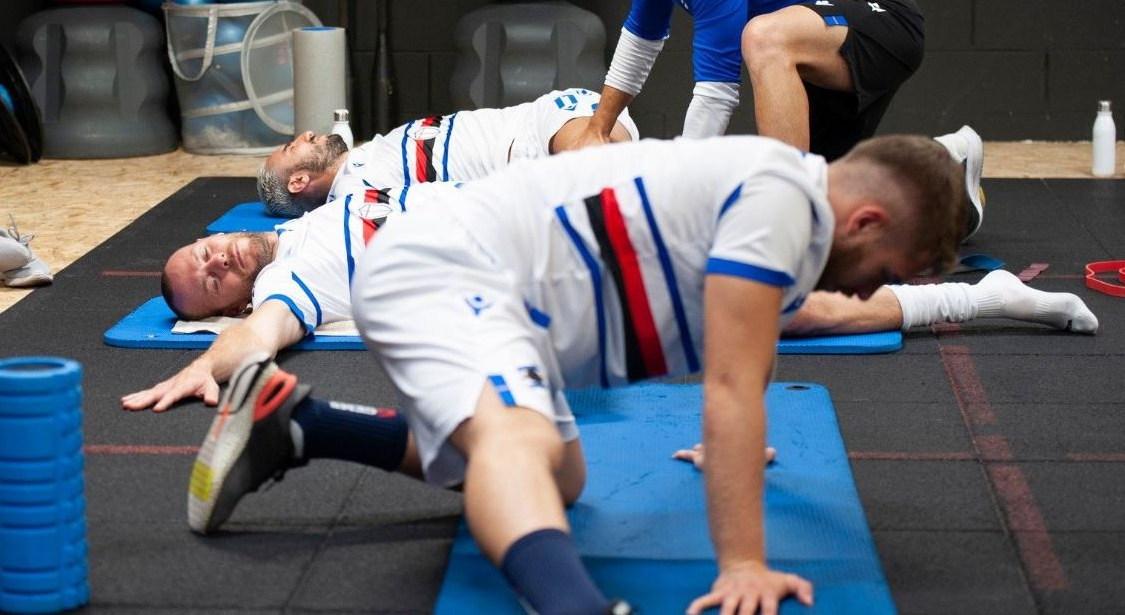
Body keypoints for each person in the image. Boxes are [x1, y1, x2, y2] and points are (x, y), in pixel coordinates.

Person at [180, 135, 1073, 613]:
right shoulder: (782, 205)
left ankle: (298, 426)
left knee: (555, 478)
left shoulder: (782, 206)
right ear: (867, 220)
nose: (871, 288)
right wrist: (743, 564)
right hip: (449, 270)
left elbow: (762, 346)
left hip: (489, 297)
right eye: (885, 270)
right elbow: (727, 388)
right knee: (514, 443)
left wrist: (734, 446)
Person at [121, 170, 1096, 413]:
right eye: (199, 288)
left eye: (200, 250)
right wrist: (209, 364)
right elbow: (261, 335)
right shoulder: (292, 276)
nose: (208, 264)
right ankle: (980, 293)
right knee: (781, 304)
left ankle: (946, 208)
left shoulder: (311, 207)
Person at [568, 0, 988, 239]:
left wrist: (678, 196)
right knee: (831, 201)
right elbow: (641, 39)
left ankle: (787, 222)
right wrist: (597, 128)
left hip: (882, 18)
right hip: (817, 55)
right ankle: (946, 163)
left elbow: (716, 89)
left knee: (763, 37)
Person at [257, 88, 640, 218]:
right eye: (295, 147)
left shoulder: (365, 155)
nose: (306, 134)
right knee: (604, 177)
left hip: (539, 116)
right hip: (532, 152)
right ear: (298, 181)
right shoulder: (354, 195)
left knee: (608, 173)